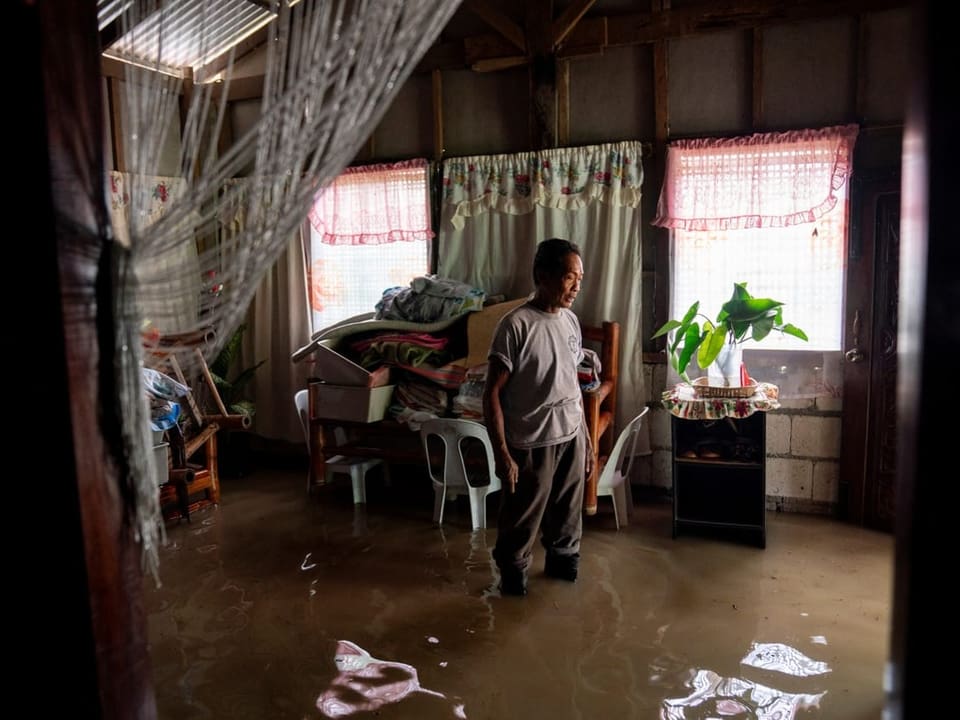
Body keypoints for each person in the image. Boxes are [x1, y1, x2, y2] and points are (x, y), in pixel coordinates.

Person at [482, 238, 595, 596]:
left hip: (572, 434)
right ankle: (513, 593)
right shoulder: (515, 326)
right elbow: (491, 395)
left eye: (579, 277)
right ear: (543, 276)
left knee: (567, 521)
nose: (576, 286)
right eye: (568, 277)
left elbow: (572, 385)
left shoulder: (571, 322)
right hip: (532, 442)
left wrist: (588, 442)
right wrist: (502, 454)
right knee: (520, 523)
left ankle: (563, 588)